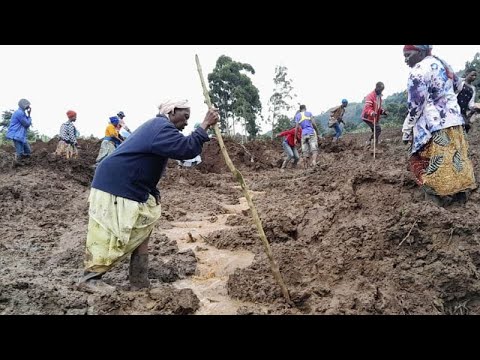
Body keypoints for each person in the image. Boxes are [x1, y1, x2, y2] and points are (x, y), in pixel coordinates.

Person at [79, 100, 219, 291]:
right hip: (116, 184)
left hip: (129, 184)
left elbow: (146, 162)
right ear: (172, 111)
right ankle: (90, 279)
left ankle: (139, 280)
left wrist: (152, 190)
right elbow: (187, 150)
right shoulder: (161, 127)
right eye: (185, 116)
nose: (187, 122)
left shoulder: (160, 128)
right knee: (111, 232)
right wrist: (205, 125)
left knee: (143, 227)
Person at [402, 45, 477, 206]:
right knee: (456, 158)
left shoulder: (418, 71)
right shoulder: (442, 64)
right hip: (455, 121)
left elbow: (415, 106)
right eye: (404, 56)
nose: (406, 59)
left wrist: (407, 128)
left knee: (421, 161)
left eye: (408, 55)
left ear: (421, 52)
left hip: (433, 125)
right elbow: (458, 86)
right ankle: (460, 196)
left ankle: (434, 200)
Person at [361, 82, 388, 150]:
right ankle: (371, 143)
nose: (381, 91)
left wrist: (383, 112)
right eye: (381, 89)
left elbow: (378, 108)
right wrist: (372, 112)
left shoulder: (379, 97)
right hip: (368, 117)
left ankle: (371, 144)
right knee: (378, 129)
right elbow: (368, 108)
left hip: (374, 117)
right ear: (377, 88)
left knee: (375, 130)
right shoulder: (370, 96)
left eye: (382, 90)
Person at [6, 99, 32, 166]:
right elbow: (26, 124)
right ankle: (16, 165)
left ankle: (24, 163)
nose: (28, 107)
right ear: (24, 105)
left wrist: (28, 115)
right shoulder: (19, 113)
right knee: (20, 153)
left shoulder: (22, 113)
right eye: (27, 105)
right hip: (17, 135)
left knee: (28, 151)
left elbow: (26, 123)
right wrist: (29, 115)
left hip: (21, 136)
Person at [457, 68, 479, 133]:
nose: (474, 77)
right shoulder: (459, 82)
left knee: (466, 127)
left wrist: (475, 108)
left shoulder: (473, 89)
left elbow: (471, 104)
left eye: (475, 76)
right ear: (467, 73)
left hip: (463, 112)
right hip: (455, 110)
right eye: (472, 75)